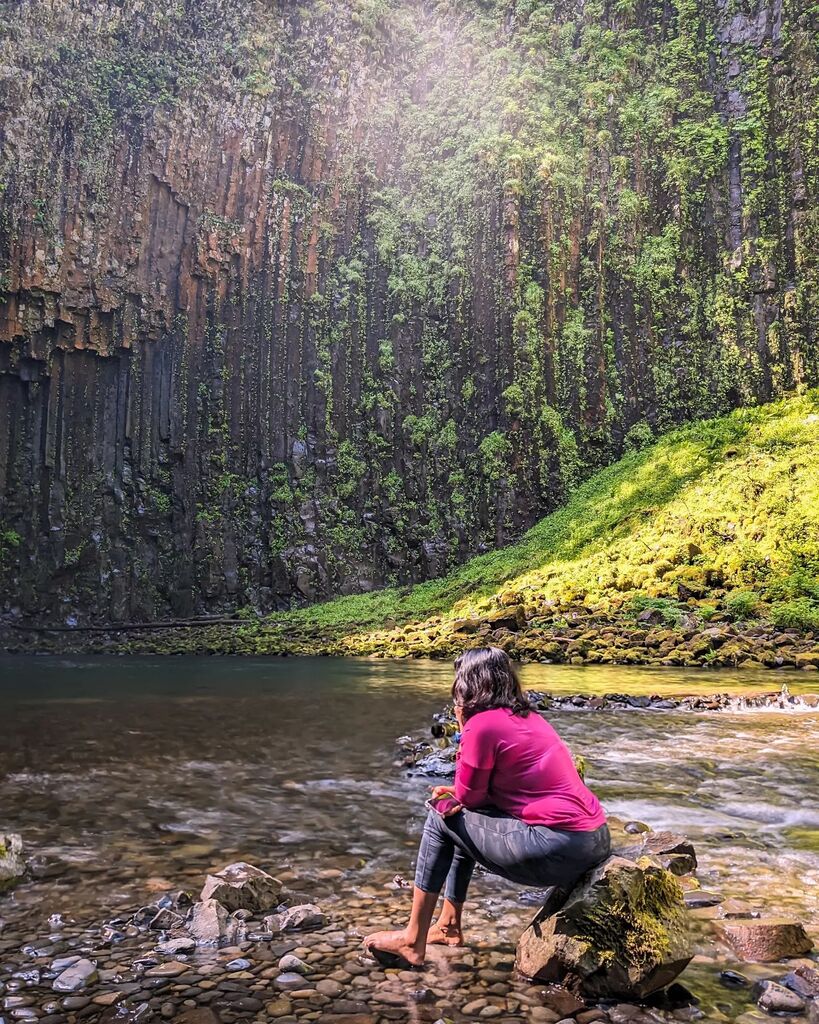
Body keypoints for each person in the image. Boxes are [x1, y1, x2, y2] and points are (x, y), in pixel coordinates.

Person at [364, 646, 610, 967]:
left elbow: (469, 799)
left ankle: (413, 939)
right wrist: (459, 792)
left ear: (467, 685)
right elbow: (487, 796)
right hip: (594, 839)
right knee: (463, 816)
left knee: (441, 814)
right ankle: (448, 925)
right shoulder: (530, 717)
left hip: (557, 847)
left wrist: (464, 730)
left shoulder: (482, 725)